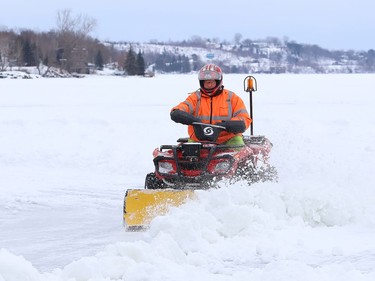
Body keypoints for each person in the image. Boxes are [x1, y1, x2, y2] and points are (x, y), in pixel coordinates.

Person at [170, 63, 251, 145]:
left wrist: (227, 125)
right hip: (198, 139)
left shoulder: (232, 98)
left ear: (218, 81)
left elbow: (244, 118)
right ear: (201, 83)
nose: (209, 85)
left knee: (238, 150)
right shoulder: (195, 98)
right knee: (184, 154)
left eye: (211, 82)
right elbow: (183, 107)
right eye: (206, 82)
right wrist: (179, 114)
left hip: (227, 139)